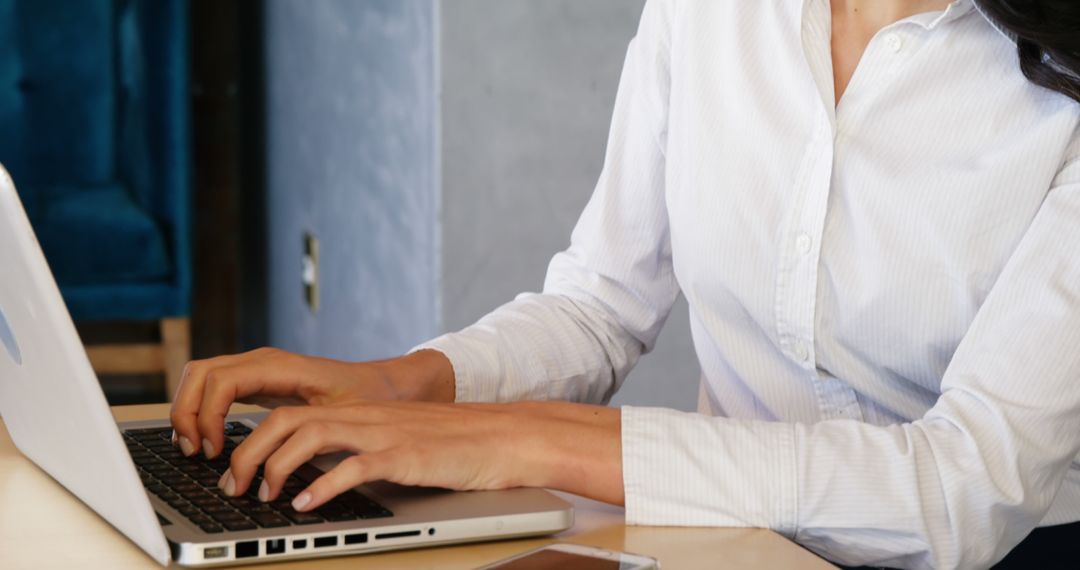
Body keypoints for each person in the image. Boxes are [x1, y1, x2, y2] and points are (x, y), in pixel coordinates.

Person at [169, 1, 1080, 567]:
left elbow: (966, 486)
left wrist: (526, 444)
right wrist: (406, 383)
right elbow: (600, 307)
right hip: (728, 542)